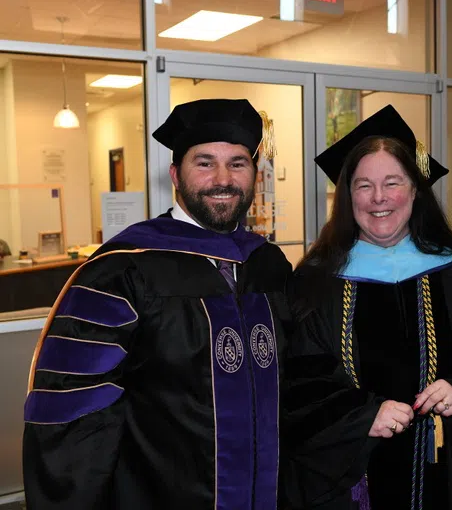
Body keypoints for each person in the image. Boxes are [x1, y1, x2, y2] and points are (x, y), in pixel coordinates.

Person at [23, 98, 292, 510]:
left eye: (238, 163)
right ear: (175, 176)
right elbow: (74, 412)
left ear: (254, 174)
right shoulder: (121, 270)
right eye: (204, 163)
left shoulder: (268, 263)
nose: (223, 178)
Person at [281, 105, 452, 510]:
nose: (378, 199)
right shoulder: (316, 279)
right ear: (346, 195)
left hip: (437, 471)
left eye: (393, 182)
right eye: (363, 185)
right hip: (345, 479)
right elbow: (298, 378)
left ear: (415, 190)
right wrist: (360, 415)